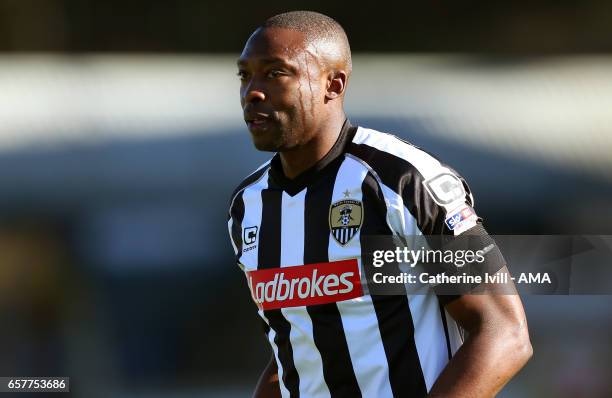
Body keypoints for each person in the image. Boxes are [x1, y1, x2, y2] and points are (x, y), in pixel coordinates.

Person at [227, 10, 532, 398]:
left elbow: (504, 333)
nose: (252, 91)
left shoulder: (401, 181)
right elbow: (295, 346)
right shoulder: (248, 207)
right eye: (245, 75)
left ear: (332, 84)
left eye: (275, 73)